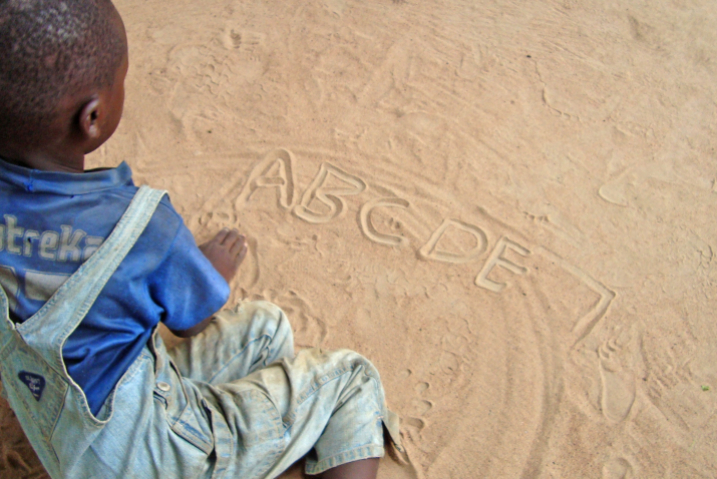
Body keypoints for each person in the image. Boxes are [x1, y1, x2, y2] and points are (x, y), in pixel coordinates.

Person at [0, 1, 400, 478]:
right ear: (93, 117)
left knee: (266, 328)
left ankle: (260, 451)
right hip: (159, 456)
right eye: (120, 80)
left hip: (70, 437)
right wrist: (212, 268)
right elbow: (192, 321)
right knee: (352, 380)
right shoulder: (141, 227)